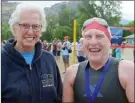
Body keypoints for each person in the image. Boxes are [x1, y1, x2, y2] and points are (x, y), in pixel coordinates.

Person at [63, 17, 134, 103]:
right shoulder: (71, 73)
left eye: (99, 36)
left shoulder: (128, 70)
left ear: (109, 41)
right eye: (88, 37)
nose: (93, 42)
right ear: (82, 42)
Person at [1, 3, 62, 103]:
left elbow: (58, 97)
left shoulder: (49, 59)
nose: (30, 32)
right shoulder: (2, 60)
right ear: (14, 28)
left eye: (35, 26)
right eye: (24, 25)